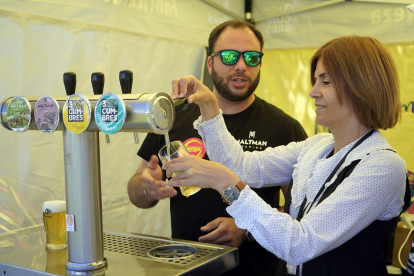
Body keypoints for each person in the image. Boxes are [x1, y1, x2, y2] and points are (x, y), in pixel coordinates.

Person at [163, 35, 410, 276]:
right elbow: (242, 166)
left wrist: (224, 183)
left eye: (325, 82)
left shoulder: (382, 166)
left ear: (362, 86)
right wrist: (208, 106)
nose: (313, 92)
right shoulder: (317, 146)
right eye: (315, 81)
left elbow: (300, 244)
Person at [127, 20, 307, 275]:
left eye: (252, 57)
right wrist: (146, 187)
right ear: (210, 62)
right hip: (183, 265)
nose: (241, 65)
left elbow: (300, 213)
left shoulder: (285, 128)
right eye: (230, 56)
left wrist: (247, 228)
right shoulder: (172, 118)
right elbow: (136, 192)